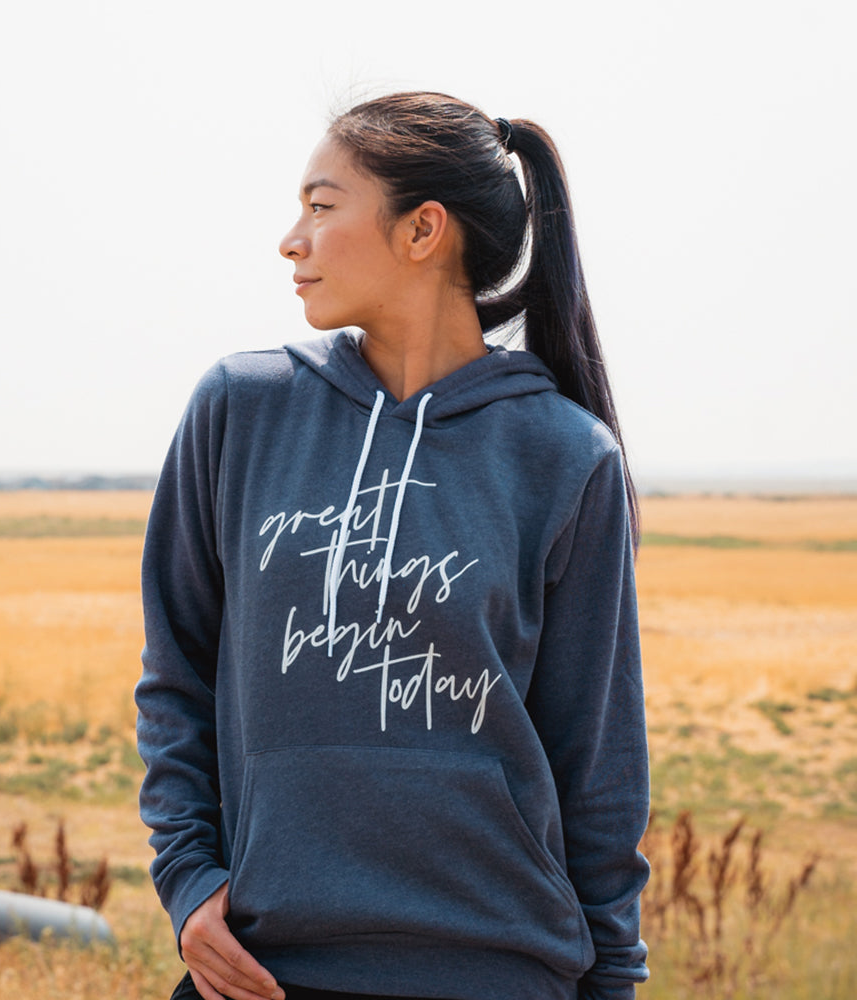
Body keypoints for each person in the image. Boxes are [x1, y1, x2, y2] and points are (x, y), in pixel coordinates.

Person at [136, 91, 650, 1000]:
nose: (292, 239)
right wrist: (189, 882)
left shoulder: (567, 458)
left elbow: (597, 766)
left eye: (322, 206)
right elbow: (178, 674)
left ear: (423, 231)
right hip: (263, 968)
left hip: (496, 969)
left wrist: (611, 983)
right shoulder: (240, 411)